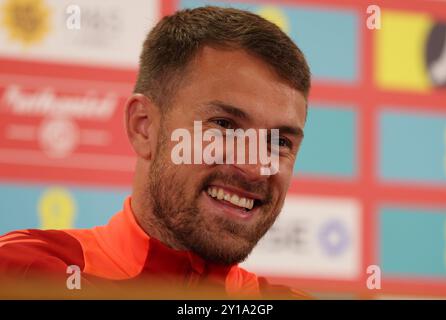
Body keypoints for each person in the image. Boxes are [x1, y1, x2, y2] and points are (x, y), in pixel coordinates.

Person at [0, 6, 311, 299]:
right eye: (224, 125)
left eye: (280, 142)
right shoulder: (20, 273)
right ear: (143, 126)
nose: (256, 166)